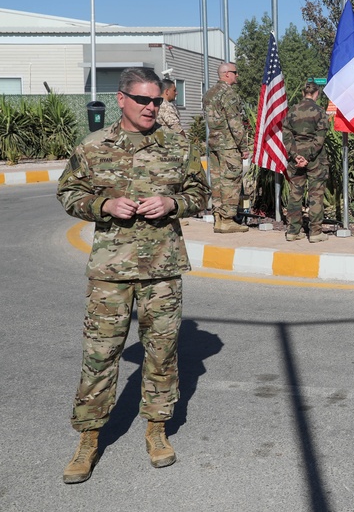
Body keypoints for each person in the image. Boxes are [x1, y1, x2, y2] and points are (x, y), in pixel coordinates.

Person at [57, 67, 209, 484]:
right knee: (100, 354)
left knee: (161, 353)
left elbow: (201, 192)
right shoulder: (93, 147)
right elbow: (69, 192)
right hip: (111, 271)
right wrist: (104, 206)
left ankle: (156, 430)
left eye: (157, 101)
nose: (150, 107)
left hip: (162, 269)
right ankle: (89, 438)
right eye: (142, 100)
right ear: (121, 99)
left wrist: (173, 203)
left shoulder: (178, 145)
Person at [203, 62, 253, 233]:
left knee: (216, 181)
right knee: (231, 181)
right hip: (229, 145)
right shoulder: (229, 94)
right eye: (235, 72)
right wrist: (243, 146)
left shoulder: (209, 93)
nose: (237, 75)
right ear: (226, 74)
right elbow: (235, 123)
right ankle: (227, 219)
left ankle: (218, 217)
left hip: (215, 143)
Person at [282, 80, 330, 243]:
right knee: (316, 194)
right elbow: (320, 138)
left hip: (295, 160)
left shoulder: (292, 111)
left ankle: (293, 231)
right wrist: (308, 156)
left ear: (303, 93)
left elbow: (286, 137)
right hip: (315, 160)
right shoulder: (320, 112)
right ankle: (315, 232)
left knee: (295, 194)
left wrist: (297, 156)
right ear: (316, 94)